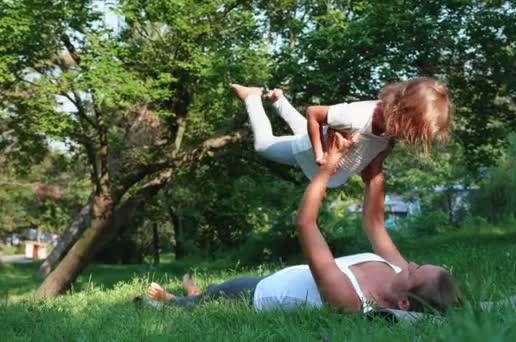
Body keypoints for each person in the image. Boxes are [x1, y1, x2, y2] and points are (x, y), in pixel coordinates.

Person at [144, 130, 464, 314]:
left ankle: (174, 300)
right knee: (213, 291)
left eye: (416, 270)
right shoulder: (396, 271)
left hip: (260, 293)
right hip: (284, 276)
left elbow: (306, 225)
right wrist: (376, 168)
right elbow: (375, 224)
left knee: (207, 300)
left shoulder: (352, 299)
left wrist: (328, 166)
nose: (409, 263)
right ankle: (193, 289)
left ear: (404, 302)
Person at [230, 78, 450, 188]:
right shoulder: (356, 117)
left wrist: (374, 168)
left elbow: (382, 147)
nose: (407, 138)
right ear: (401, 113)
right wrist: (319, 155)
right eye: (411, 132)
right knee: (264, 146)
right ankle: (252, 97)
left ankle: (279, 101)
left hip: (325, 150)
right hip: (307, 152)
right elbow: (314, 113)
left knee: (306, 132)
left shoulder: (391, 127)